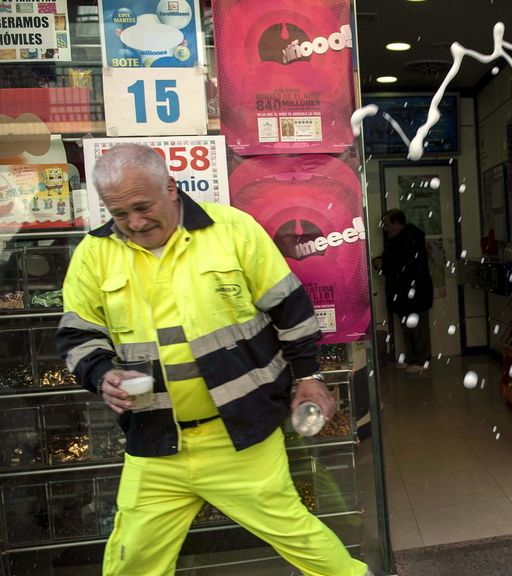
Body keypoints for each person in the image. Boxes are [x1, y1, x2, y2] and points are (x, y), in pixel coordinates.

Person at [55, 144, 369, 576]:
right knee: (132, 560)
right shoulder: (94, 254)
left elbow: (290, 309)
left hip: (239, 435)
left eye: (143, 207)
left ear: (170, 187)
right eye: (118, 213)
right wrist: (101, 372)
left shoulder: (232, 230)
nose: (134, 223)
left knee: (300, 537)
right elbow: (77, 334)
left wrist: (309, 376)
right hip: (156, 443)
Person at [372, 208, 433, 373]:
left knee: (417, 328)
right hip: (405, 293)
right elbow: (394, 262)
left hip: (415, 292)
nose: (385, 228)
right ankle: (412, 358)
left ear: (396, 223)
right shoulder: (397, 239)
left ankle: (421, 360)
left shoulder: (411, 239)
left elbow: (402, 266)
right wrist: (380, 261)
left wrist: (383, 265)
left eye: (387, 224)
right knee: (407, 328)